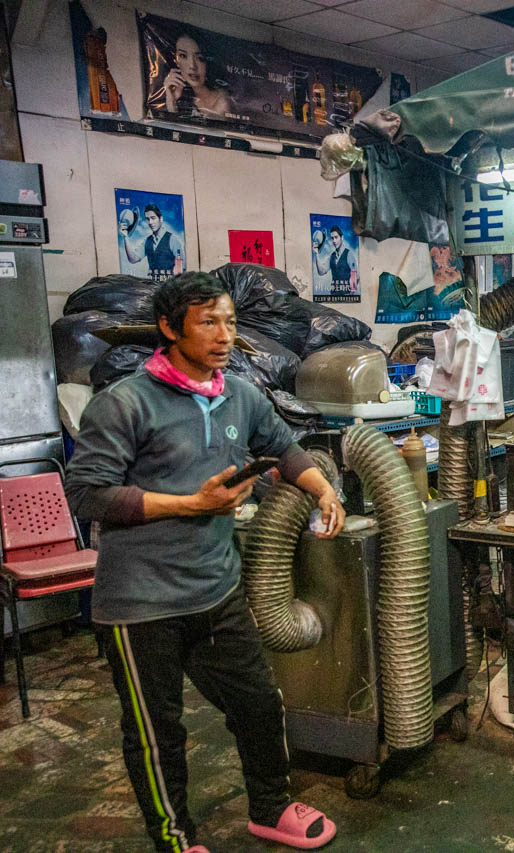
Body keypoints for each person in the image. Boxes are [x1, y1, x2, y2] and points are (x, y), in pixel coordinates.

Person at [65, 272, 344, 853]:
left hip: (217, 593)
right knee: (156, 732)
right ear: (169, 329)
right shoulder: (124, 403)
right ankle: (175, 838)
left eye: (230, 323)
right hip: (140, 606)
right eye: (208, 322)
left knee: (260, 707)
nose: (223, 336)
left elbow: (281, 448)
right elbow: (87, 495)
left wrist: (321, 488)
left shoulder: (238, 393)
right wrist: (193, 504)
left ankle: (269, 810)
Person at [162, 32, 233, 119]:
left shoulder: (223, 99)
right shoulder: (179, 97)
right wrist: (171, 101)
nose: (192, 66)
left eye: (199, 58)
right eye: (183, 56)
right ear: (176, 61)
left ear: (208, 61)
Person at [121, 203, 186, 282]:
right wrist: (125, 237)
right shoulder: (147, 241)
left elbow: (182, 268)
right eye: (147, 219)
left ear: (160, 219)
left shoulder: (173, 239)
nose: (150, 222)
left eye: (153, 218)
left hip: (169, 287)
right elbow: (133, 259)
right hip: (152, 287)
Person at [312, 226, 358, 294]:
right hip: (333, 296)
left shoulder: (349, 254)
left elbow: (355, 274)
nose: (334, 241)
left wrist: (351, 294)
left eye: (336, 237)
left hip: (346, 295)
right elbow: (321, 272)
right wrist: (317, 254)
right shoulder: (331, 256)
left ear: (341, 238)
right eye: (332, 238)